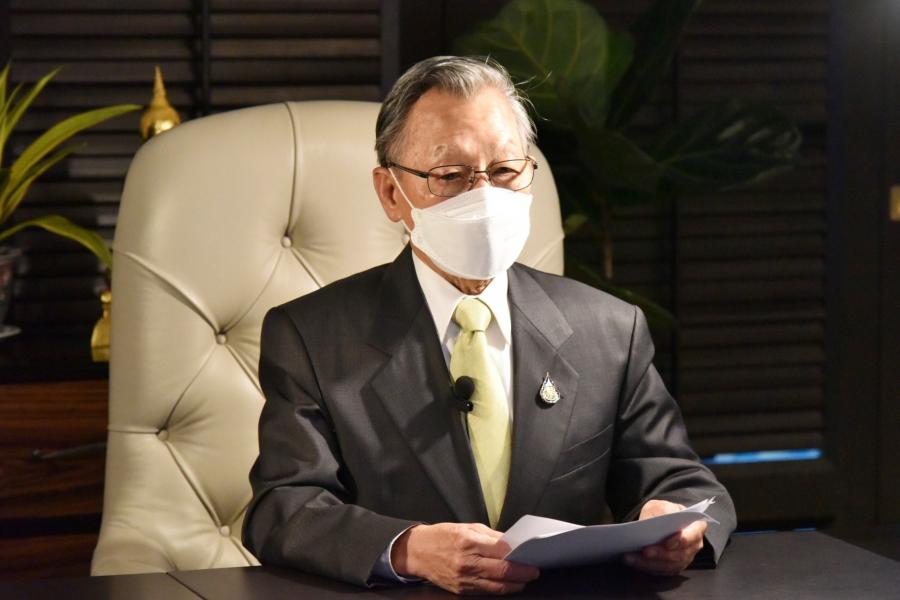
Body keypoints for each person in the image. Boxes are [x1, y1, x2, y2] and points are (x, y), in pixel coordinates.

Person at [242, 55, 736, 595]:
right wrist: (407, 549)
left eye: (504, 172)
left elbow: (682, 481)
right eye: (451, 176)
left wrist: (677, 521)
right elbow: (283, 508)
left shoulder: (610, 330)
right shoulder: (312, 337)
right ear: (391, 194)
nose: (484, 196)